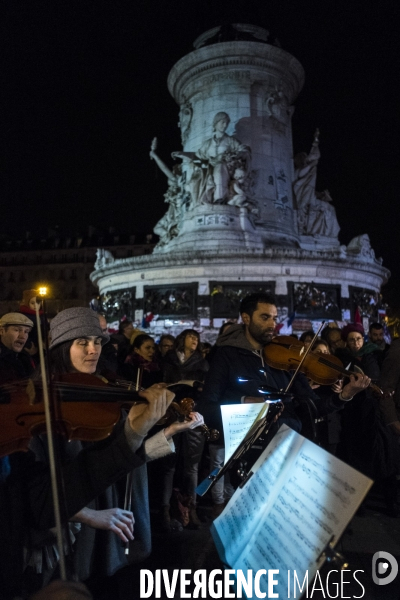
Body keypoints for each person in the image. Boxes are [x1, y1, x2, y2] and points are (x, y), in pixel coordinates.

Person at [198, 293, 371, 518]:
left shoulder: (287, 357)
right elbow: (207, 407)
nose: (273, 324)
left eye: (275, 317)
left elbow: (314, 407)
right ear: (246, 318)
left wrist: (344, 396)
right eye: (265, 317)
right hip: (251, 458)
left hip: (290, 452)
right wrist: (244, 402)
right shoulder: (227, 356)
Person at [160, 329, 210, 529]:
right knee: (168, 462)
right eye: (191, 337)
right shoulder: (169, 359)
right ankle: (165, 509)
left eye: (197, 338)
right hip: (171, 410)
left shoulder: (202, 362)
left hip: (192, 412)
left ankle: (192, 508)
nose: (195, 341)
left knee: (192, 464)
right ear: (182, 339)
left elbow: (206, 387)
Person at [0, 312, 36, 381]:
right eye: (17, 330)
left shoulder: (25, 357)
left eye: (26, 332)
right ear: (2, 331)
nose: (23, 336)